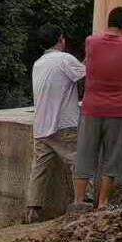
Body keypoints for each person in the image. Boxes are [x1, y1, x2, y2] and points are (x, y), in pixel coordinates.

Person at [75, 6, 122, 213]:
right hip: (117, 109)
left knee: (86, 153)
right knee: (112, 157)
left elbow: (88, 61)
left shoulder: (91, 42)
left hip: (91, 108)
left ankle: (79, 202)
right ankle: (103, 203)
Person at [26, 29, 85, 223]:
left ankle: (32, 210)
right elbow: (87, 73)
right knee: (79, 161)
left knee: (39, 169)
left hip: (41, 126)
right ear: (61, 40)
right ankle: (85, 200)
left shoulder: (38, 63)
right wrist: (94, 53)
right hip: (63, 124)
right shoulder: (64, 59)